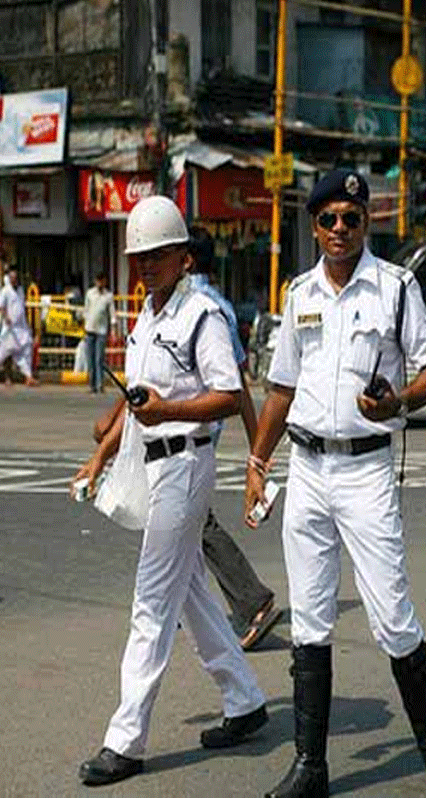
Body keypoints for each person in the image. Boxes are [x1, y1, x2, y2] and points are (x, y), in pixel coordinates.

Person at [244, 169, 426, 798]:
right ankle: (309, 767)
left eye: (351, 217)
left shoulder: (396, 288)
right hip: (308, 471)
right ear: (313, 226)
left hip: (368, 470)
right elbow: (281, 389)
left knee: (393, 616)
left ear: (366, 222)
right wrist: (257, 466)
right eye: (328, 219)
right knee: (311, 620)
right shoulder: (298, 295)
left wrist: (397, 399)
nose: (339, 229)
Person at [72, 196, 268, 787]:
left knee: (151, 601)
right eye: (139, 257)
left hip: (186, 463)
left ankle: (125, 740)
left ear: (184, 256)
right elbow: (138, 397)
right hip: (152, 460)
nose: (147, 266)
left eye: (158, 255)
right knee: (189, 594)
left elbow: (229, 394)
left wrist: (172, 414)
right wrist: (102, 451)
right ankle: (245, 699)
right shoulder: (149, 317)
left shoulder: (202, 314)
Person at [186, 226, 281, 650]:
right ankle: (172, 608)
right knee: (180, 526)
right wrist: (254, 449)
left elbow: (234, 386)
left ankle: (253, 600)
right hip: (199, 431)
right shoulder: (219, 305)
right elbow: (240, 384)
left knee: (193, 523)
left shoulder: (198, 306)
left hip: (188, 432)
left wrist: (257, 455)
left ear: (184, 259)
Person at [0, 267, 38, 386]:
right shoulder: (5, 291)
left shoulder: (21, 290)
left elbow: (22, 307)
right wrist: (6, 317)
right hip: (10, 327)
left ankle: (28, 376)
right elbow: (1, 306)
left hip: (21, 326)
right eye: (12, 278)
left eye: (16, 278)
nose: (14, 280)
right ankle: (8, 377)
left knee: (26, 349)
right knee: (8, 352)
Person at [82, 271, 113, 393]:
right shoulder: (90, 294)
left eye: (102, 280)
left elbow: (112, 313)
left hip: (101, 330)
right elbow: (86, 310)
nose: (100, 283)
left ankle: (100, 384)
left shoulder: (108, 296)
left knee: (99, 359)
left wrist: (114, 329)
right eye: (98, 280)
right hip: (90, 329)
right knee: (90, 359)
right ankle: (92, 385)